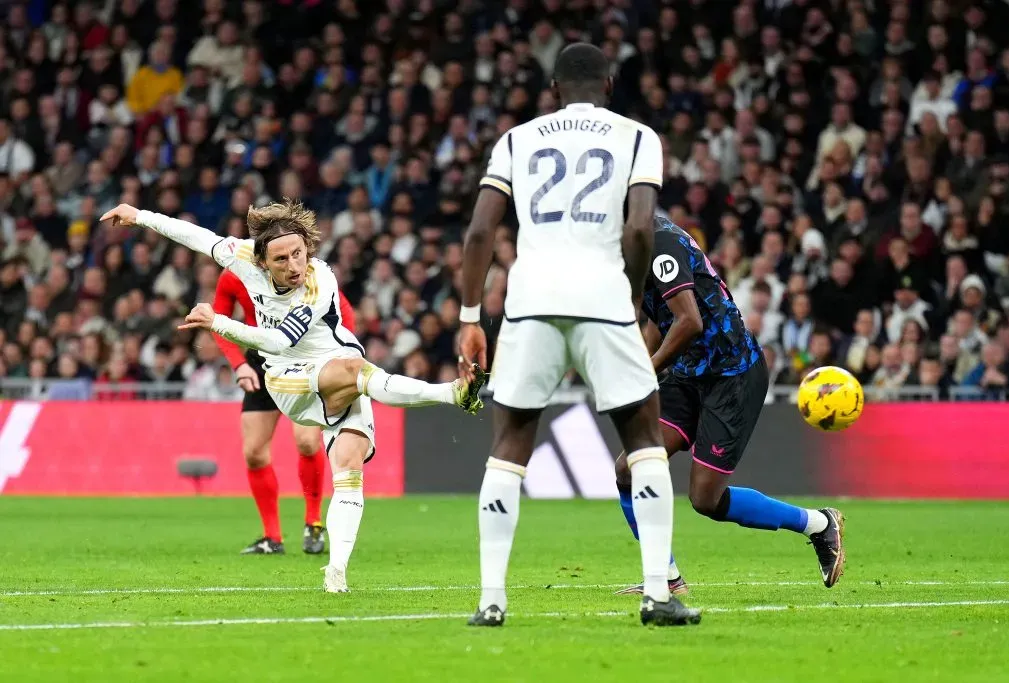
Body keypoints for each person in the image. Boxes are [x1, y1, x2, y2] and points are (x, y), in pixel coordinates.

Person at [100, 201, 487, 593]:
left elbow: (279, 337)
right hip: (288, 379)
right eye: (282, 259)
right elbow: (198, 238)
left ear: (308, 249)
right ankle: (454, 394)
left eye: (299, 254)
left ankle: (336, 573)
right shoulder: (243, 257)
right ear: (263, 262)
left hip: (334, 368)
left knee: (349, 470)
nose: (294, 266)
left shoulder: (321, 281)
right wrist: (139, 216)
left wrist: (219, 322)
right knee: (352, 375)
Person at [458, 44, 700, 627]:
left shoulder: (517, 140)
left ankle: (491, 600)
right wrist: (631, 294)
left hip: (531, 300)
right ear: (610, 84)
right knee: (644, 440)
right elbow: (640, 228)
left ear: (554, 90)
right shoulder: (638, 137)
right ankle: (657, 595)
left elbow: (480, 232)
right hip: (602, 297)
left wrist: (470, 317)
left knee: (510, 443)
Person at [612, 217, 846, 595]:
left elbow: (689, 322)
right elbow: (660, 315)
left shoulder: (661, 243)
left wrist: (648, 370)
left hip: (732, 374)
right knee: (628, 469)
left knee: (706, 499)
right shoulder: (633, 246)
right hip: (689, 372)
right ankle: (666, 578)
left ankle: (819, 524)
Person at [213, 267, 354, 555]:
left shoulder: (302, 271)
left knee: (306, 441)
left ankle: (313, 522)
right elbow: (218, 321)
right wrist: (239, 365)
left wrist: (337, 355)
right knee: (254, 453)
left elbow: (342, 309)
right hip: (260, 362)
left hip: (304, 360)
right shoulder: (233, 274)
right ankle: (271, 537)